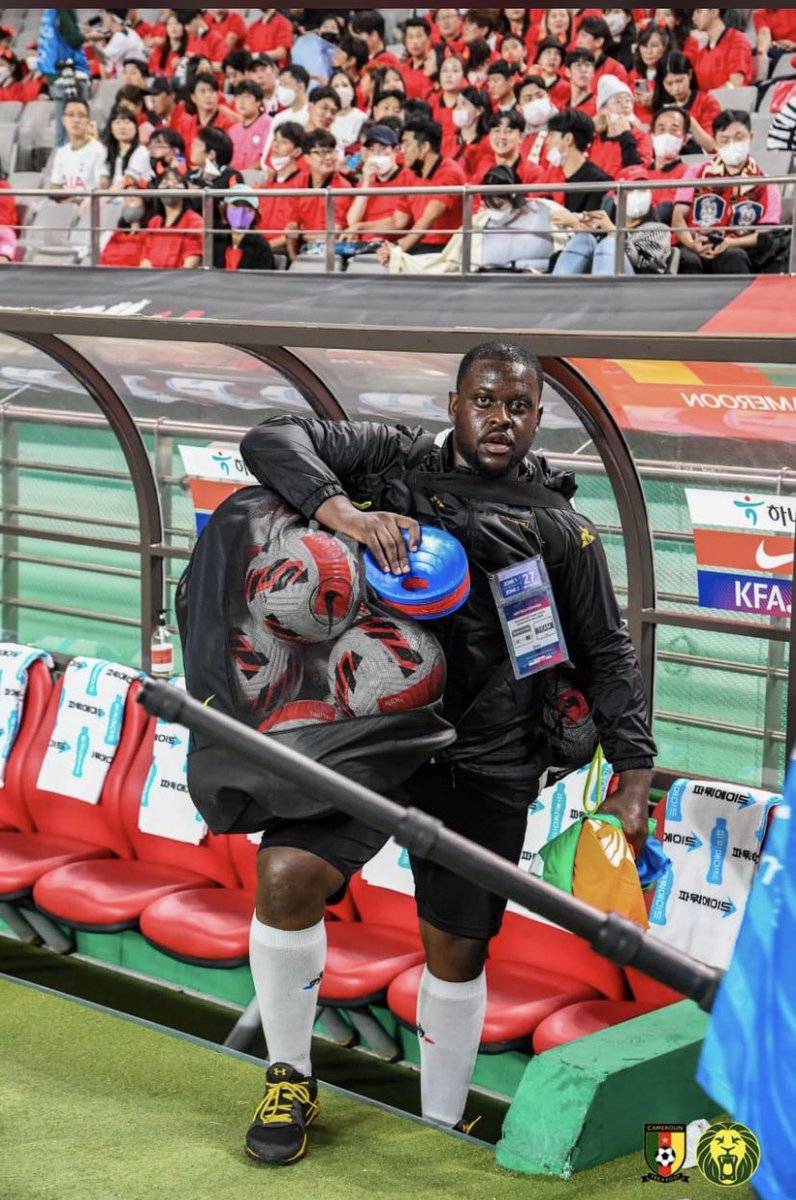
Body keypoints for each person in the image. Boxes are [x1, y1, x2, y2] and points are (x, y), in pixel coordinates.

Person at [236, 339, 656, 1166]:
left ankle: (439, 1118)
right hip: (367, 731)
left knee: (458, 947)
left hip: (490, 754)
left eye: (520, 407)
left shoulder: (566, 532)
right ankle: (289, 1075)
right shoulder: (389, 459)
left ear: (538, 417)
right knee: (286, 878)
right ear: (455, 404)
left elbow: (607, 654)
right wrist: (348, 516)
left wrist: (634, 778)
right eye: (486, 401)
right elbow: (269, 439)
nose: (502, 419)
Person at [672, 108, 785, 275]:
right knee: (686, 259)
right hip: (696, 243)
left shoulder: (766, 183)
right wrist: (691, 244)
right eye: (724, 140)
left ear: (751, 138)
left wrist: (730, 243)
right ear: (716, 142)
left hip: (737, 247)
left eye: (739, 138)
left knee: (733, 257)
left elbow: (765, 235)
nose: (732, 144)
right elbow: (678, 219)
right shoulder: (696, 172)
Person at [552, 174, 673, 275]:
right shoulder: (604, 227)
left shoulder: (659, 230)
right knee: (584, 238)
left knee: (610, 243)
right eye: (630, 190)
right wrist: (580, 226)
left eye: (643, 189)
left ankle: (604, 299)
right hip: (593, 282)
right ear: (615, 198)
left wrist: (614, 233)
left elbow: (646, 265)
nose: (638, 195)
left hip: (638, 287)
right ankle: (555, 292)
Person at [391, 115, 467, 254]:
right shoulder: (409, 173)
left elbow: (429, 218)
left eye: (407, 144)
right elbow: (398, 221)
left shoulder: (450, 173)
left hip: (448, 248)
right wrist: (358, 228)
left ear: (425, 146)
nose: (403, 150)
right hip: (420, 243)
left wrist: (399, 250)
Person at [284, 128, 351, 261]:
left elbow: (333, 233)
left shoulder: (343, 187)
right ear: (307, 158)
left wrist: (302, 234)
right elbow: (292, 227)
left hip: (331, 252)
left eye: (331, 152)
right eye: (321, 153)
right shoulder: (298, 183)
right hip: (303, 252)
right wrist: (294, 259)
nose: (329, 158)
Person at [343, 124, 415, 243]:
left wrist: (361, 226)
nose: (377, 154)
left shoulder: (408, 177)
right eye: (372, 149)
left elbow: (399, 222)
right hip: (364, 244)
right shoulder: (366, 179)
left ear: (396, 150)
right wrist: (366, 182)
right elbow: (352, 221)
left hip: (393, 244)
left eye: (382, 148)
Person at [36, 7, 91, 148]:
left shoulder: (49, 10)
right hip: (68, 73)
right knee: (74, 133)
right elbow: (73, 38)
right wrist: (89, 36)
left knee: (63, 130)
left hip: (54, 74)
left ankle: (59, 165)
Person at [542, 109, 614, 214]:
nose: (547, 141)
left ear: (568, 139)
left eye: (551, 135)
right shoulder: (551, 176)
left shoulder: (599, 181)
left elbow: (593, 225)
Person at [652, 51, 719, 156]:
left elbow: (712, 147)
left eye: (679, 81)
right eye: (669, 83)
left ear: (690, 74)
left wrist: (691, 124)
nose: (675, 88)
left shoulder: (707, 102)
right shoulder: (660, 104)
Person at [256, 121, 307, 251]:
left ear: (297, 152)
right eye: (275, 140)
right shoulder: (267, 184)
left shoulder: (304, 184)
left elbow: (298, 229)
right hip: (260, 245)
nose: (275, 146)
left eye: (284, 142)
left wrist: (265, 247)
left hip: (282, 249)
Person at [140, 166, 204, 268]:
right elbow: (145, 261)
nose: (170, 186)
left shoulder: (194, 221)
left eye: (176, 182)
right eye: (165, 183)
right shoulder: (154, 222)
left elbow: (191, 264)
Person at [589, 76, 651, 178]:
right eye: (617, 101)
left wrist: (626, 135)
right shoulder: (594, 138)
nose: (625, 105)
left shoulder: (641, 135)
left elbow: (638, 170)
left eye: (628, 100)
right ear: (603, 110)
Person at [49, 98, 107, 198]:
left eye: (81, 115)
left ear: (88, 121)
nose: (76, 120)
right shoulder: (61, 152)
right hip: (64, 206)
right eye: (71, 115)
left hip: (88, 207)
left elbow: (102, 185)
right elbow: (54, 186)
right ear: (63, 120)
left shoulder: (98, 150)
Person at [213, 182, 276, 270]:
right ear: (225, 208)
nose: (241, 212)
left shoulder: (260, 245)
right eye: (235, 206)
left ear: (255, 212)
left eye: (247, 208)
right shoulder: (217, 239)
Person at [690, 8, 752, 92]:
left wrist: (708, 100)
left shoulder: (736, 41)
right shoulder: (702, 54)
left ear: (714, 12)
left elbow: (736, 83)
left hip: (732, 103)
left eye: (698, 11)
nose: (693, 18)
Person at [645, 106, 690, 221]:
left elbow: (667, 211)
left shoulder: (688, 174)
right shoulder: (637, 171)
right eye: (661, 129)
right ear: (652, 136)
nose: (666, 135)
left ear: (684, 139)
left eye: (673, 130)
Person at [99, 105, 152, 191]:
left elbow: (128, 180)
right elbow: (103, 180)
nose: (122, 127)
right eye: (118, 123)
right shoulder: (107, 152)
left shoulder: (141, 151)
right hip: (111, 197)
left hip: (132, 197)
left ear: (135, 128)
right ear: (111, 129)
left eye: (127, 122)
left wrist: (105, 198)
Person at [228, 80, 272, 171]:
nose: (241, 102)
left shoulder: (268, 124)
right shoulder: (232, 130)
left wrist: (245, 175)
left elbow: (265, 157)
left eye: (246, 97)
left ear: (258, 102)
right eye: (238, 97)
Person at [271, 64, 311, 133]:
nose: (280, 89)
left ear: (300, 88)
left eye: (285, 84)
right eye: (280, 84)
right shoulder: (279, 117)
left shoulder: (312, 115)